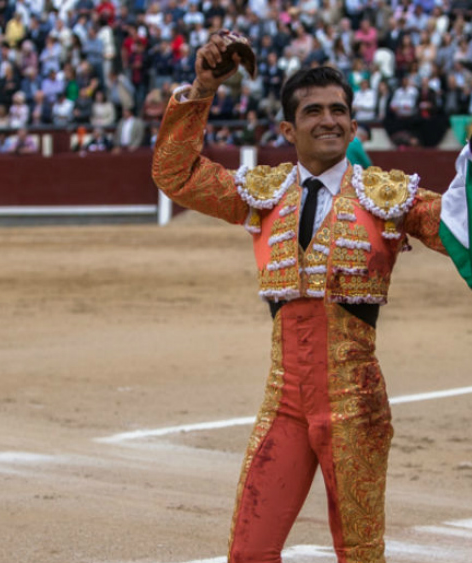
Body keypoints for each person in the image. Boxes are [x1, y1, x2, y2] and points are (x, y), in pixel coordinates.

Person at [152, 33, 446, 563]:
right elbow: (174, 174)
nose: (328, 120)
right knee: (249, 550)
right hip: (283, 402)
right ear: (289, 129)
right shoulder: (263, 196)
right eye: (313, 111)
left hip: (356, 406)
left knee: (359, 553)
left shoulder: (388, 196)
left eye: (339, 110)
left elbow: (462, 230)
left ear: (354, 125)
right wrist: (201, 88)